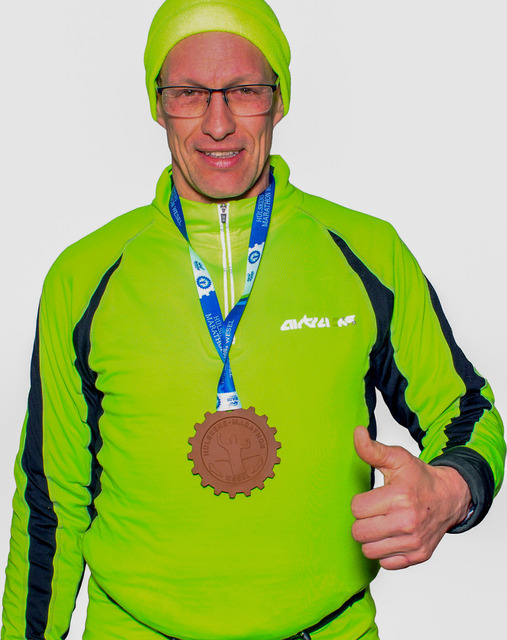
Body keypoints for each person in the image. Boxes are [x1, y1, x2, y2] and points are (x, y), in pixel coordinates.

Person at [1, 1, 505, 639]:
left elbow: (467, 411)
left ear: (280, 99)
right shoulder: (84, 275)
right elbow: (50, 502)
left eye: (244, 90)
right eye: (189, 93)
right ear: (157, 104)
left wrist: (452, 492)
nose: (218, 124)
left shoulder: (367, 253)